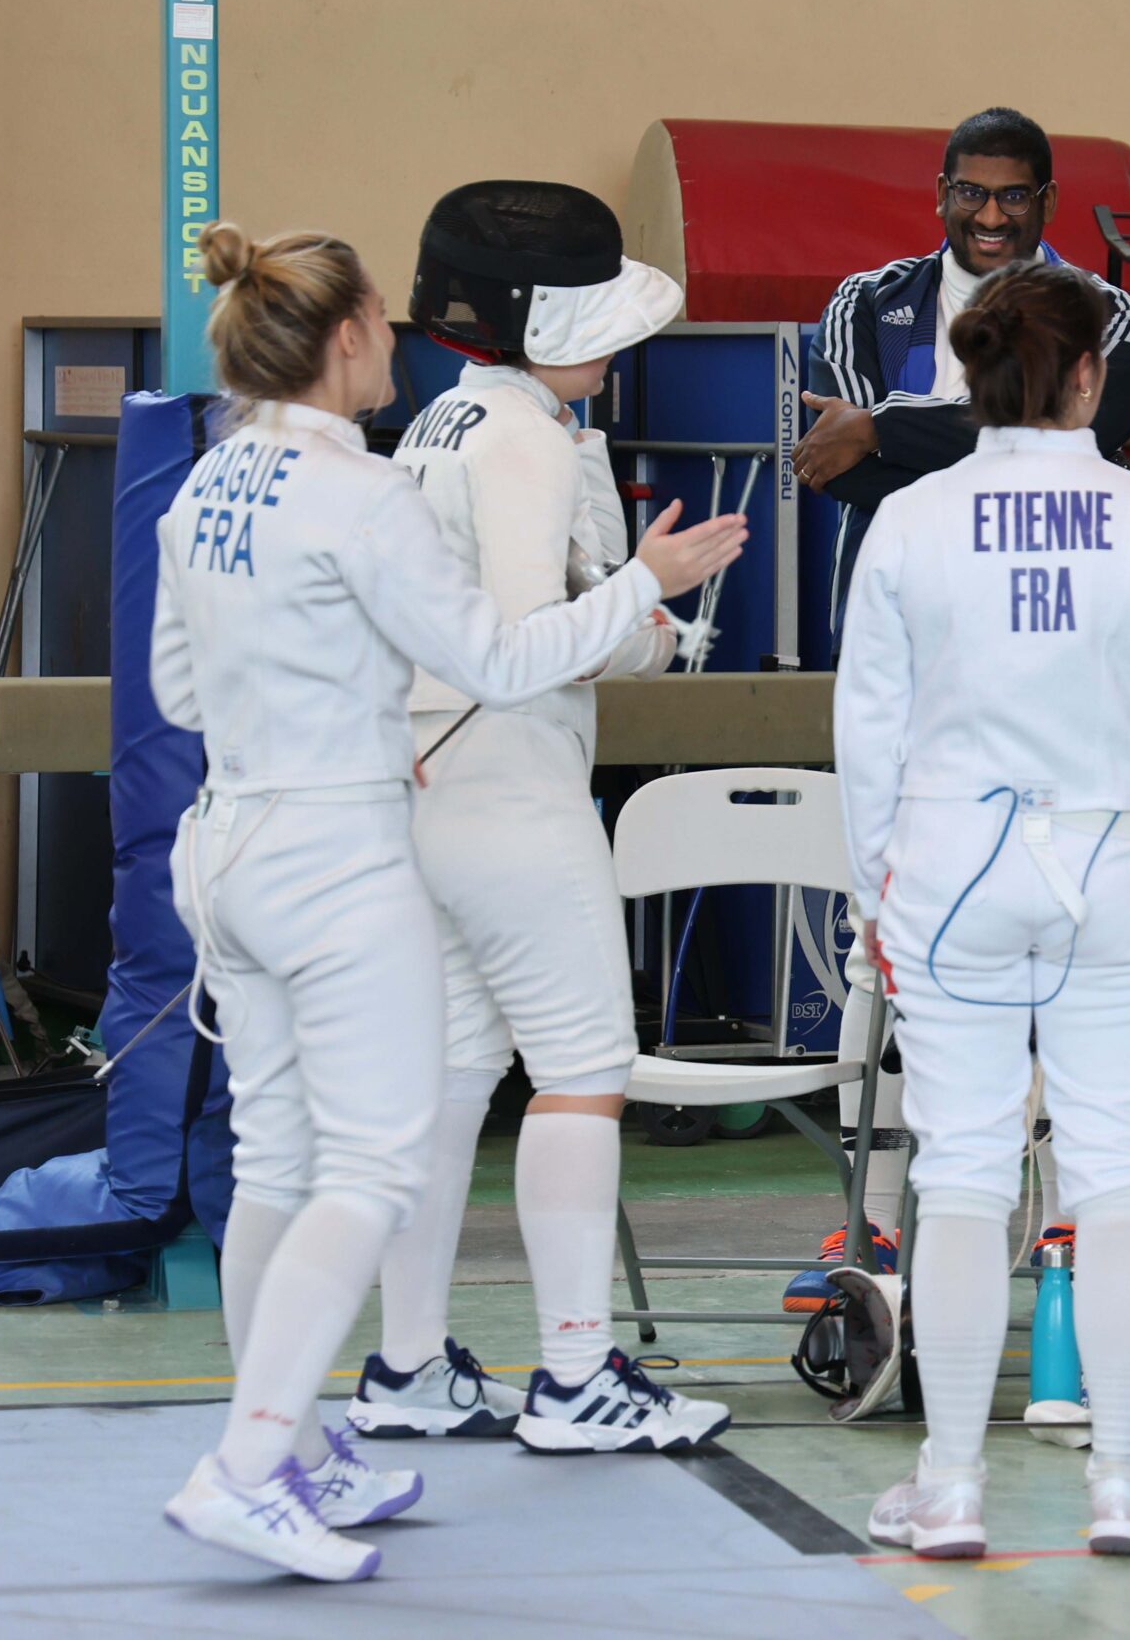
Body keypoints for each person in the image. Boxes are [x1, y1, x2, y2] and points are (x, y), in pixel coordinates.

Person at [153, 222, 745, 1582]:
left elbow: (181, 693)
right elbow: (501, 654)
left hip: (229, 843)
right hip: (343, 846)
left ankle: (303, 1437)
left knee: (281, 1158)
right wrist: (646, 591)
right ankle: (252, 1462)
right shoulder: (363, 487)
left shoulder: (210, 482)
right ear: (347, 334)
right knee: (387, 1155)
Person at [832, 259, 1130, 1558]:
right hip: (1115, 866)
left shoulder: (911, 518)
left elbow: (866, 725)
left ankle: (950, 1489)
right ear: (1087, 375)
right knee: (1115, 1168)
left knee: (958, 1172)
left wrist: (874, 885)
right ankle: (1121, 1483)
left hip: (947, 868)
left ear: (973, 374)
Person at [342, 182, 730, 1453]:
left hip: (428, 786)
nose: (616, 350)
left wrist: (631, 609)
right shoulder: (521, 436)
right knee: (582, 1068)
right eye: (598, 323)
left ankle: (408, 1367)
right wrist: (650, 604)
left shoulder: (443, 418)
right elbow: (525, 647)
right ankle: (574, 1379)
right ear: (540, 318)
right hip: (507, 783)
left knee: (455, 1072)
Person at [787, 106, 1130, 1308]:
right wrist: (936, 435)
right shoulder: (867, 303)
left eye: (1013, 196)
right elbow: (836, 462)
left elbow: (1096, 432)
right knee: (884, 946)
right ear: (939, 191)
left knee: (1051, 955)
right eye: (969, 193)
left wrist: (888, 432)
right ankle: (874, 1216)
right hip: (913, 672)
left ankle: (1054, 1222)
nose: (989, 216)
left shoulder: (1110, 314)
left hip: (1055, 687)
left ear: (1046, 199)